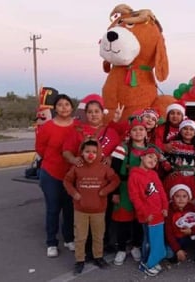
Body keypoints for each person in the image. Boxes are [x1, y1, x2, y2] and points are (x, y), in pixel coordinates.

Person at [62, 94, 120, 252]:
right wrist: (74, 160)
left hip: (102, 182)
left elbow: (119, 151)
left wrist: (109, 157)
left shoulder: (111, 132)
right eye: (90, 112)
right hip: (83, 182)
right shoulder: (78, 131)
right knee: (82, 215)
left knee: (103, 215)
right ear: (86, 114)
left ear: (103, 113)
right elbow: (66, 151)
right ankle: (84, 248)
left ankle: (102, 246)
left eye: (97, 111)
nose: (94, 114)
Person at [63, 139, 120, 274]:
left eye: (94, 152)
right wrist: (74, 193)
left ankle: (98, 257)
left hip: (99, 210)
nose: (91, 154)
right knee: (80, 236)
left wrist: (105, 191)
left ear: (99, 153)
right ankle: (79, 260)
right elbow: (67, 181)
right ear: (82, 153)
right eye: (87, 151)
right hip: (80, 209)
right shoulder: (77, 167)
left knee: (98, 235)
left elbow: (115, 180)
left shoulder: (104, 168)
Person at [35, 94, 78, 258]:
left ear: (71, 107)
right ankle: (51, 242)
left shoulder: (77, 126)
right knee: (53, 209)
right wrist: (54, 160)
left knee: (69, 209)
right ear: (55, 108)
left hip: (72, 174)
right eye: (60, 105)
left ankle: (69, 238)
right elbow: (40, 148)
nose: (64, 107)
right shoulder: (48, 127)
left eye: (67, 104)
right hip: (51, 173)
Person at [110, 117, 150, 266]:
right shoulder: (122, 148)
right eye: (135, 129)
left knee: (138, 221)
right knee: (123, 221)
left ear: (146, 132)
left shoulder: (150, 150)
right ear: (130, 132)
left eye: (141, 129)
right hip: (124, 188)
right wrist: (115, 192)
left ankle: (135, 246)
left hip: (142, 191)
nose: (138, 132)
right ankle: (121, 248)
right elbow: (113, 171)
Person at [128, 147, 169, 277]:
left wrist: (165, 207)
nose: (153, 160)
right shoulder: (134, 175)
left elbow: (161, 191)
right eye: (150, 157)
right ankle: (145, 262)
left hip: (158, 214)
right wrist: (145, 213)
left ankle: (153, 259)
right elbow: (135, 197)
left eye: (156, 159)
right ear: (142, 157)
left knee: (157, 240)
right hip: (147, 216)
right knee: (148, 240)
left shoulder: (154, 174)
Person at [165, 184, 195, 269]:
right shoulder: (169, 210)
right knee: (168, 252)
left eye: (184, 196)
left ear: (188, 198)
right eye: (177, 196)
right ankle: (178, 253)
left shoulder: (191, 207)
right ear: (172, 197)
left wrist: (192, 230)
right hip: (177, 238)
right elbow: (168, 233)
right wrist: (177, 250)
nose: (181, 199)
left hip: (190, 236)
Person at [162, 118, 195, 198]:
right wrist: (169, 170)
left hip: (190, 180)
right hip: (175, 179)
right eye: (185, 129)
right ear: (180, 130)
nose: (188, 131)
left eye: (191, 129)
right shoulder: (174, 144)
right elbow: (162, 156)